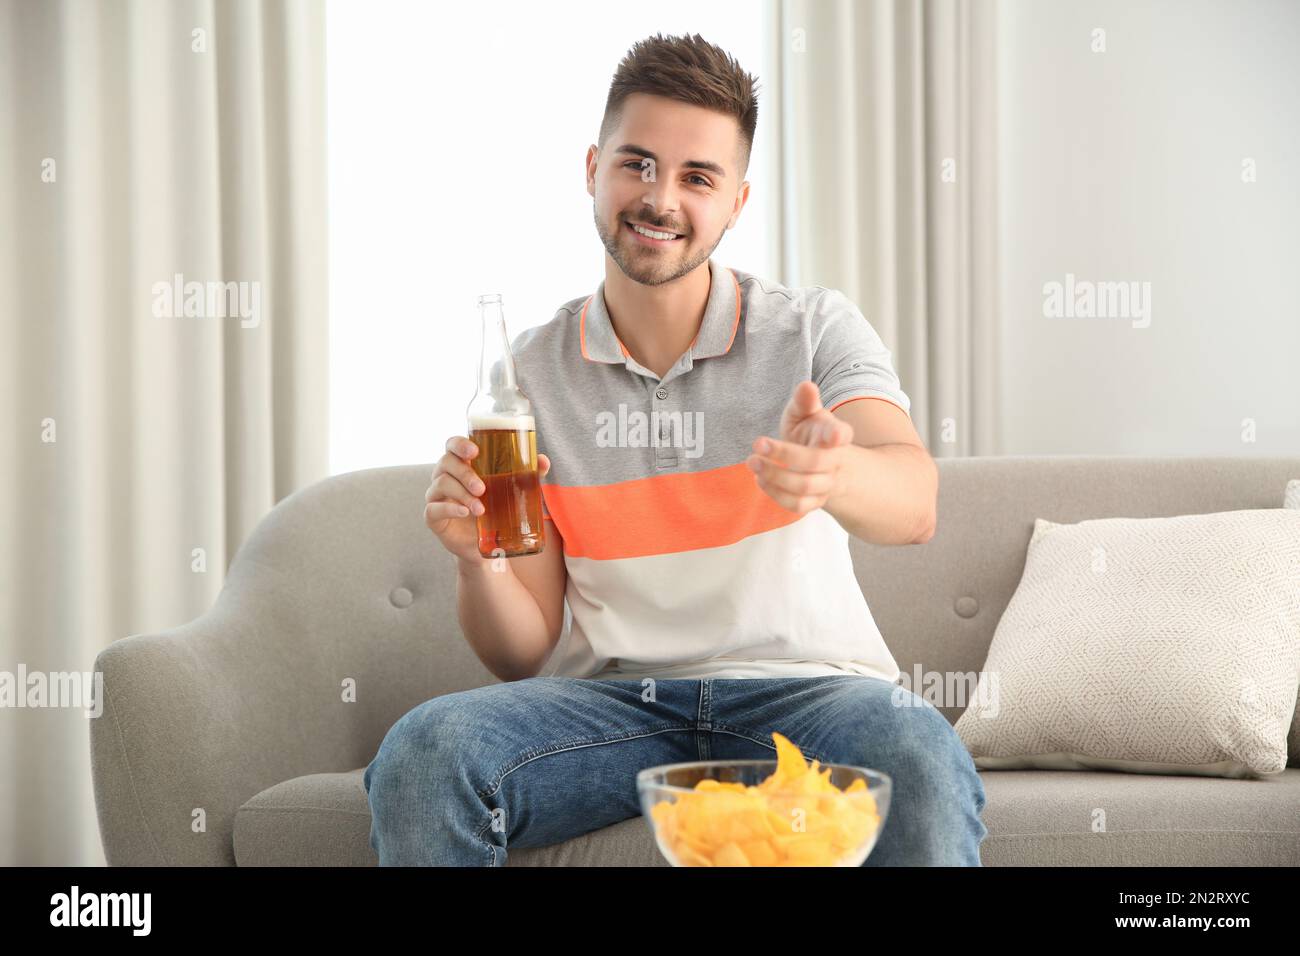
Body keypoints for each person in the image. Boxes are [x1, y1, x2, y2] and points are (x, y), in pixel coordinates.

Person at [364, 32, 987, 866]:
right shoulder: (529, 380)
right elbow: (522, 650)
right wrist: (479, 560)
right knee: (425, 751)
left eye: (698, 178)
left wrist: (833, 473)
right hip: (610, 711)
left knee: (916, 750)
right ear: (593, 169)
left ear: (737, 201)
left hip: (809, 699)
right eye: (638, 164)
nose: (660, 198)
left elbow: (914, 506)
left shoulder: (812, 330)